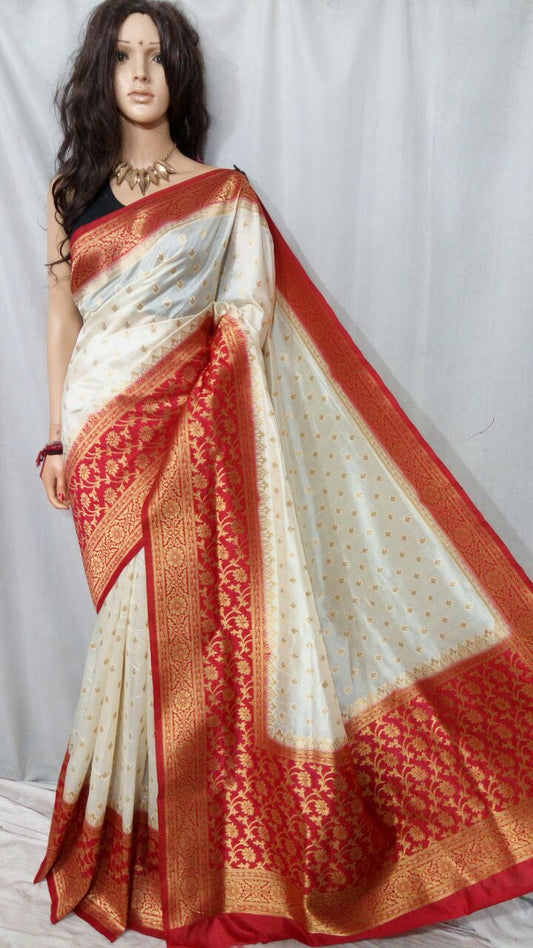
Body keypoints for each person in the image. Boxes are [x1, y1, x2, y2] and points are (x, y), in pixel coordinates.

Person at [34, 1, 533, 946]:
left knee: (187, 638)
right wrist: (58, 438)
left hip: (191, 434)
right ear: (101, 70)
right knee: (127, 632)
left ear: (179, 73)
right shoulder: (71, 192)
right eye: (123, 55)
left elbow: (247, 317)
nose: (139, 72)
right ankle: (139, 832)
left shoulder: (220, 195)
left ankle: (194, 848)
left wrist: (201, 422)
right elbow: (64, 317)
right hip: (100, 442)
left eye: (156, 56)